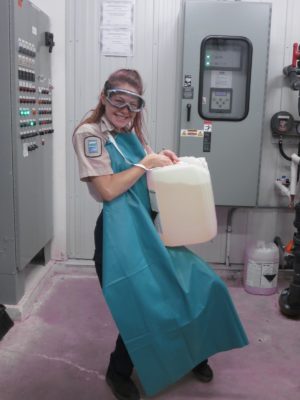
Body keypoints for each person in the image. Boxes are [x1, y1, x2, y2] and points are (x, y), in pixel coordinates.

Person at [73, 69, 248, 400]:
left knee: (198, 284)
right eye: (117, 101)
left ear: (139, 107)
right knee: (140, 303)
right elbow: (108, 190)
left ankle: (195, 351)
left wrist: (164, 164)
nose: (124, 111)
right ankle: (118, 370)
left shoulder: (134, 134)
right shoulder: (89, 134)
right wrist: (145, 164)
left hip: (148, 224)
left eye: (132, 105)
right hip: (119, 233)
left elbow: (147, 178)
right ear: (104, 97)